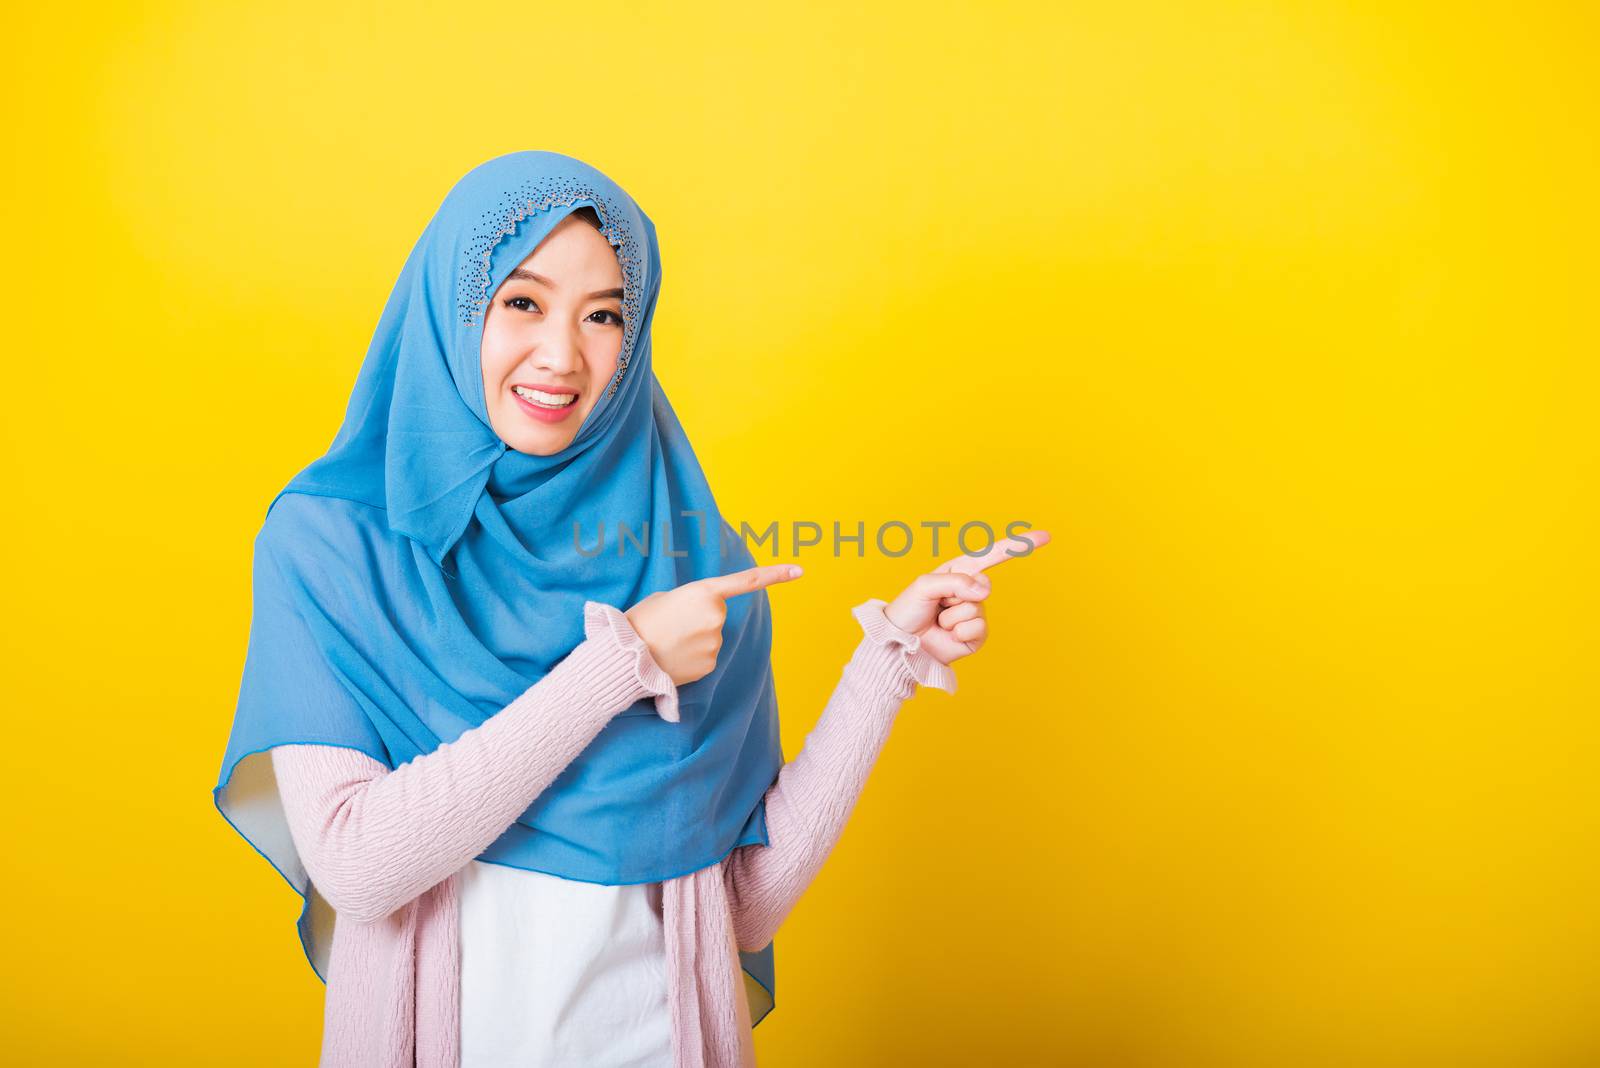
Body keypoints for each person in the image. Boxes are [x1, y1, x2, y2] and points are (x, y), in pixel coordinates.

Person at [212, 150, 1050, 1068]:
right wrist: (618, 667)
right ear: (453, 311)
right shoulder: (331, 547)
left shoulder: (696, 566)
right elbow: (360, 867)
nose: (563, 354)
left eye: (604, 314)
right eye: (521, 302)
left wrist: (886, 664)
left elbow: (742, 905)